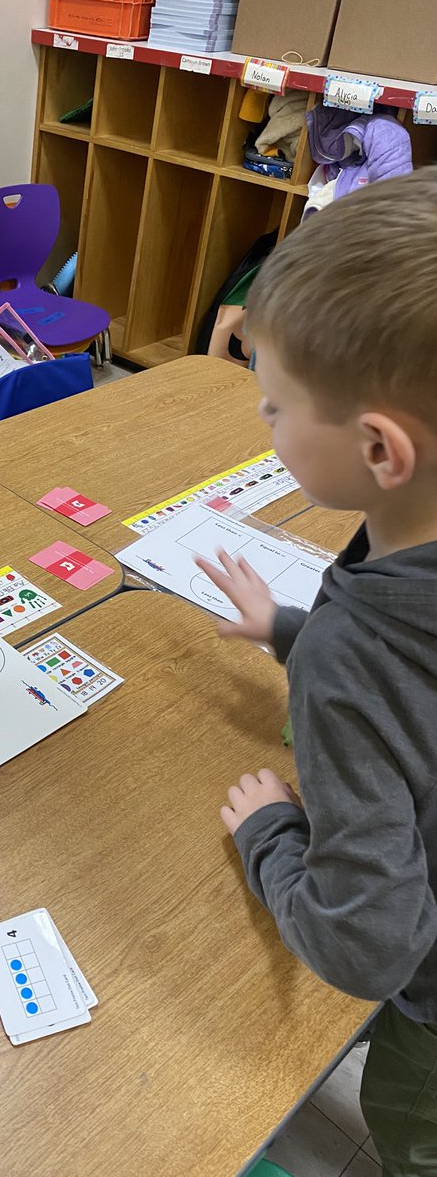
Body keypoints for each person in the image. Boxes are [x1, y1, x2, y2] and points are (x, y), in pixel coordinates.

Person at [196, 167, 437, 1176]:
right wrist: (291, 628)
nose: (264, 421)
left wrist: (271, 839)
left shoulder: (351, 663)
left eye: (274, 407)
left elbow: (364, 942)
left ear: (381, 450)